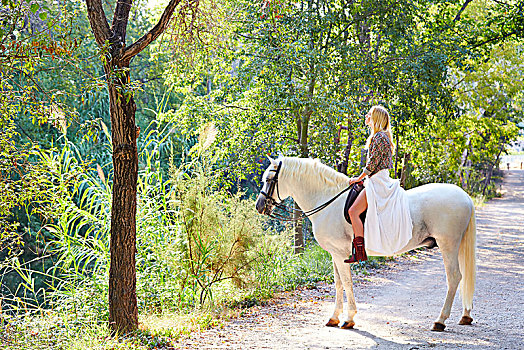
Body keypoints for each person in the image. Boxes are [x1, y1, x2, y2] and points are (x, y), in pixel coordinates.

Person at [344, 106, 413, 263]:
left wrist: (358, 178)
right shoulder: (379, 136)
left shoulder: (379, 137)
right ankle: (360, 251)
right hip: (375, 178)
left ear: (376, 118)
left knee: (353, 212)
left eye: (369, 114)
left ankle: (360, 253)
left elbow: (373, 162)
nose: (366, 115)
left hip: (378, 181)